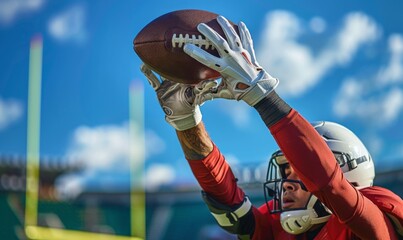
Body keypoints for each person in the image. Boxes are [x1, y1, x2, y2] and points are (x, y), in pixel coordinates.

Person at [140, 15, 403, 240]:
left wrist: (263, 96)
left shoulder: (374, 224)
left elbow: (331, 185)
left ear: (347, 172)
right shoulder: (279, 232)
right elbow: (229, 208)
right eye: (286, 171)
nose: (286, 184)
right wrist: (186, 123)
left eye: (298, 172)